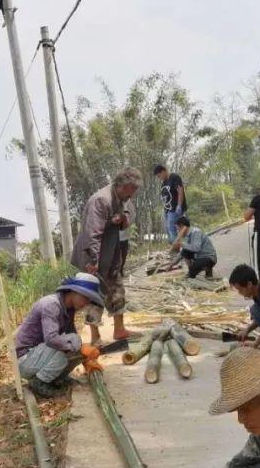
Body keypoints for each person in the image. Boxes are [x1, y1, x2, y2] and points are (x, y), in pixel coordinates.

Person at [71, 167, 143, 345]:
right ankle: (95, 337)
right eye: (132, 190)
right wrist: (93, 260)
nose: (133, 194)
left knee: (117, 289)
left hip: (111, 254)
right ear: (123, 185)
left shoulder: (122, 199)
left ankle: (119, 330)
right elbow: (92, 233)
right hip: (93, 256)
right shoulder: (101, 200)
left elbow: (128, 216)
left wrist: (122, 219)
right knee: (93, 295)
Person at [15, 273, 104, 398]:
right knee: (71, 345)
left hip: (38, 355)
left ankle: (56, 379)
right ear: (74, 291)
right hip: (25, 359)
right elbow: (51, 339)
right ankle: (39, 382)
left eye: (89, 300)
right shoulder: (51, 305)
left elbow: (71, 334)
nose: (86, 303)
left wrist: (85, 355)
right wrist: (79, 348)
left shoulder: (69, 308)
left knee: (76, 342)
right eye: (85, 297)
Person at [153, 164, 187, 243]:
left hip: (175, 208)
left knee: (171, 227)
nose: (159, 178)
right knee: (168, 228)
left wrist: (179, 205)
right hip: (168, 209)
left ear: (164, 171)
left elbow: (180, 190)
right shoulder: (164, 183)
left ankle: (176, 248)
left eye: (159, 175)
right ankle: (174, 245)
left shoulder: (174, 177)